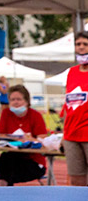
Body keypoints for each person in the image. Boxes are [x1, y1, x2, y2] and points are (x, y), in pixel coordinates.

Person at [0, 85, 48, 186]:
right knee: (6, 157)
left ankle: (3, 187)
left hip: (33, 161)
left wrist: (30, 139)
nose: (15, 102)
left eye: (19, 99)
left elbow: (43, 140)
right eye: (12, 99)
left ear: (27, 101)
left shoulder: (35, 116)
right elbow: (1, 135)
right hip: (12, 156)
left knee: (8, 162)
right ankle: (3, 186)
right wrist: (16, 138)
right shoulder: (6, 114)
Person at [62, 30, 88, 187]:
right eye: (78, 44)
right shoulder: (71, 72)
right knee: (76, 181)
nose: (81, 47)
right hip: (71, 135)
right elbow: (67, 104)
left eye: (85, 44)